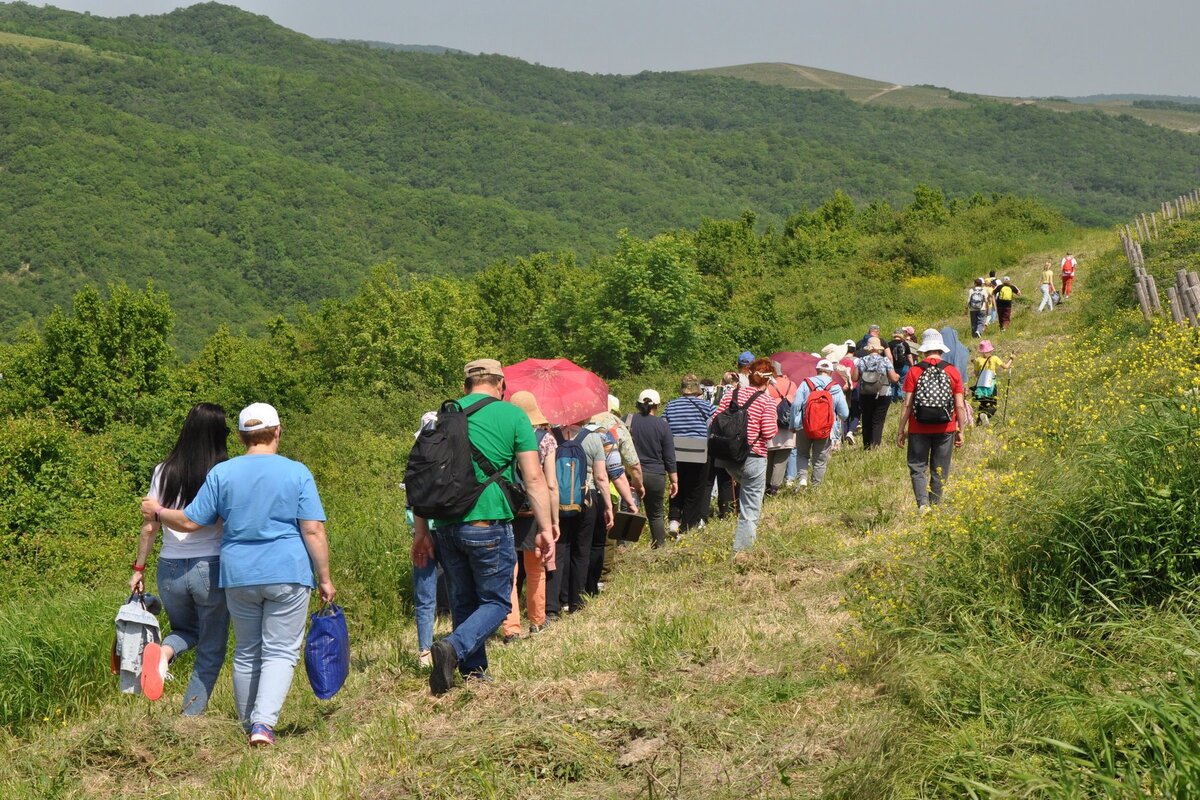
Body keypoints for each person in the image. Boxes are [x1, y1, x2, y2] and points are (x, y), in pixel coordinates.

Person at [142, 402, 336, 745]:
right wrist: (324, 578)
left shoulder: (222, 473)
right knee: (280, 651)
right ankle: (263, 724)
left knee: (246, 649)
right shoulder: (297, 472)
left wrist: (157, 512)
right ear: (277, 432)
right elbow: (313, 530)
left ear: (244, 436)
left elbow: (189, 520)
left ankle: (249, 724)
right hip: (287, 572)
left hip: (237, 574)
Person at [410, 360, 554, 695]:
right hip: (488, 522)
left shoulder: (440, 417)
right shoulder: (513, 415)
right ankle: (452, 648)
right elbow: (533, 478)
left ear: (465, 386)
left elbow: (421, 478)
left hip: (445, 524)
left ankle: (473, 674)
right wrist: (545, 527)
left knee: (464, 601)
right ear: (501, 385)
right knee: (497, 602)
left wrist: (421, 532)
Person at [129, 403, 230, 714]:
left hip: (169, 567)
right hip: (209, 566)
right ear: (217, 434)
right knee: (211, 648)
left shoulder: (163, 470)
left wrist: (138, 568)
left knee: (186, 631)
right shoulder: (222, 471)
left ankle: (162, 653)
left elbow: (150, 525)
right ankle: (190, 717)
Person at [500, 391, 559, 642]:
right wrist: (554, 521)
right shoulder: (546, 439)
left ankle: (511, 627)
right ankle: (537, 621)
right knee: (536, 568)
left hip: (507, 509)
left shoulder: (503, 437)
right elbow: (551, 484)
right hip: (535, 510)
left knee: (508, 572)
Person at [896, 331, 970, 511]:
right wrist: (961, 429)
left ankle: (923, 505)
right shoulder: (952, 371)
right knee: (940, 467)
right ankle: (935, 505)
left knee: (918, 466)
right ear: (941, 349)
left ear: (924, 350)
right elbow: (960, 406)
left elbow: (907, 405)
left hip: (918, 427)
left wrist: (901, 429)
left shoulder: (915, 371)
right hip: (946, 427)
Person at [545, 415, 611, 618]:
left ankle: (552, 606)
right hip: (587, 499)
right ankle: (576, 603)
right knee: (582, 551)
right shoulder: (592, 439)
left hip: (557, 500)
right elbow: (601, 476)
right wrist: (608, 506)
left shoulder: (551, 436)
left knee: (558, 551)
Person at [712, 358, 778, 554]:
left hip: (728, 457)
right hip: (753, 457)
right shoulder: (766, 401)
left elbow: (717, 419)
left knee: (745, 495)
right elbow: (768, 432)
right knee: (750, 509)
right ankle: (742, 553)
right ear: (767, 380)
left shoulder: (731, 395)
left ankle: (744, 544)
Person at [662, 374, 716, 533]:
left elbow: (664, 427)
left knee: (676, 486)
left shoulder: (671, 406)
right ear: (697, 389)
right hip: (699, 452)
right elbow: (714, 425)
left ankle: (673, 521)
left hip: (675, 452)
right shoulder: (706, 406)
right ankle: (688, 526)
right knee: (695, 489)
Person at [627, 389, 678, 547]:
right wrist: (674, 481)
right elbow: (669, 456)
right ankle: (659, 547)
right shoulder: (662, 425)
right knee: (656, 514)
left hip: (632, 474)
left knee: (629, 511)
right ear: (657, 405)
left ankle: (625, 549)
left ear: (638, 404)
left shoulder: (627, 420)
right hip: (656, 475)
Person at [792, 359, 849, 487]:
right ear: (830, 373)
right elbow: (844, 413)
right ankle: (816, 486)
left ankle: (802, 480)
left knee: (802, 454)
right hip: (825, 428)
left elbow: (795, 405)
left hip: (804, 425)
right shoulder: (835, 387)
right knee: (820, 459)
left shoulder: (806, 383)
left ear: (817, 371)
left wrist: (793, 424)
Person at [856, 338, 900, 449]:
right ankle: (875, 445)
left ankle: (866, 445)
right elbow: (894, 378)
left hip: (865, 393)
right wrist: (897, 376)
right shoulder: (885, 360)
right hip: (883, 393)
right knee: (878, 420)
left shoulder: (861, 361)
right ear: (879, 348)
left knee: (866, 418)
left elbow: (855, 377)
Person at [764, 361, 798, 495]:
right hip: (788, 425)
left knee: (769, 456)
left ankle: (766, 484)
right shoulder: (791, 384)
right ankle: (774, 487)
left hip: (771, 423)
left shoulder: (767, 385)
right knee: (782, 459)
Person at [971, 340, 1014, 424]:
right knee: (993, 406)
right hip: (991, 386)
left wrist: (975, 364)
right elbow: (1005, 367)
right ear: (990, 350)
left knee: (982, 405)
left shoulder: (978, 360)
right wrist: (1011, 359)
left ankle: (979, 423)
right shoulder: (994, 358)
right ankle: (986, 415)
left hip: (980, 387)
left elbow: (976, 374)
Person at [888, 328, 914, 404]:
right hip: (904, 366)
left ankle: (893, 398)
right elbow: (909, 356)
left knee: (893, 383)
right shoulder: (905, 344)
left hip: (893, 367)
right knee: (903, 382)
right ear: (901, 335)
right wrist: (912, 365)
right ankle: (902, 397)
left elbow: (888, 357)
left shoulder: (889, 344)